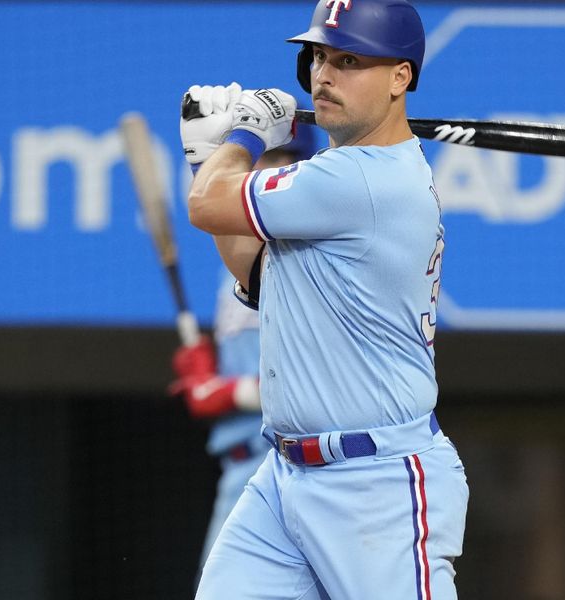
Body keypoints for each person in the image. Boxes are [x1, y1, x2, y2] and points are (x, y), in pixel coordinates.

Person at [178, 1, 469, 598]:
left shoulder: (363, 179)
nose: (323, 74)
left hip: (377, 487)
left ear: (400, 77)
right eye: (318, 56)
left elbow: (207, 205)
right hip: (284, 481)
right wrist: (204, 161)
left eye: (350, 60)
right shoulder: (338, 176)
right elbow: (253, 267)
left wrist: (240, 137)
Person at [170, 126, 318, 577]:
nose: (267, 172)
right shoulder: (236, 255)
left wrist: (224, 391)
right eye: (261, 161)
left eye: (283, 160)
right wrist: (211, 367)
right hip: (242, 469)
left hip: (296, 467)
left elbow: (319, 380)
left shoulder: (307, 252)